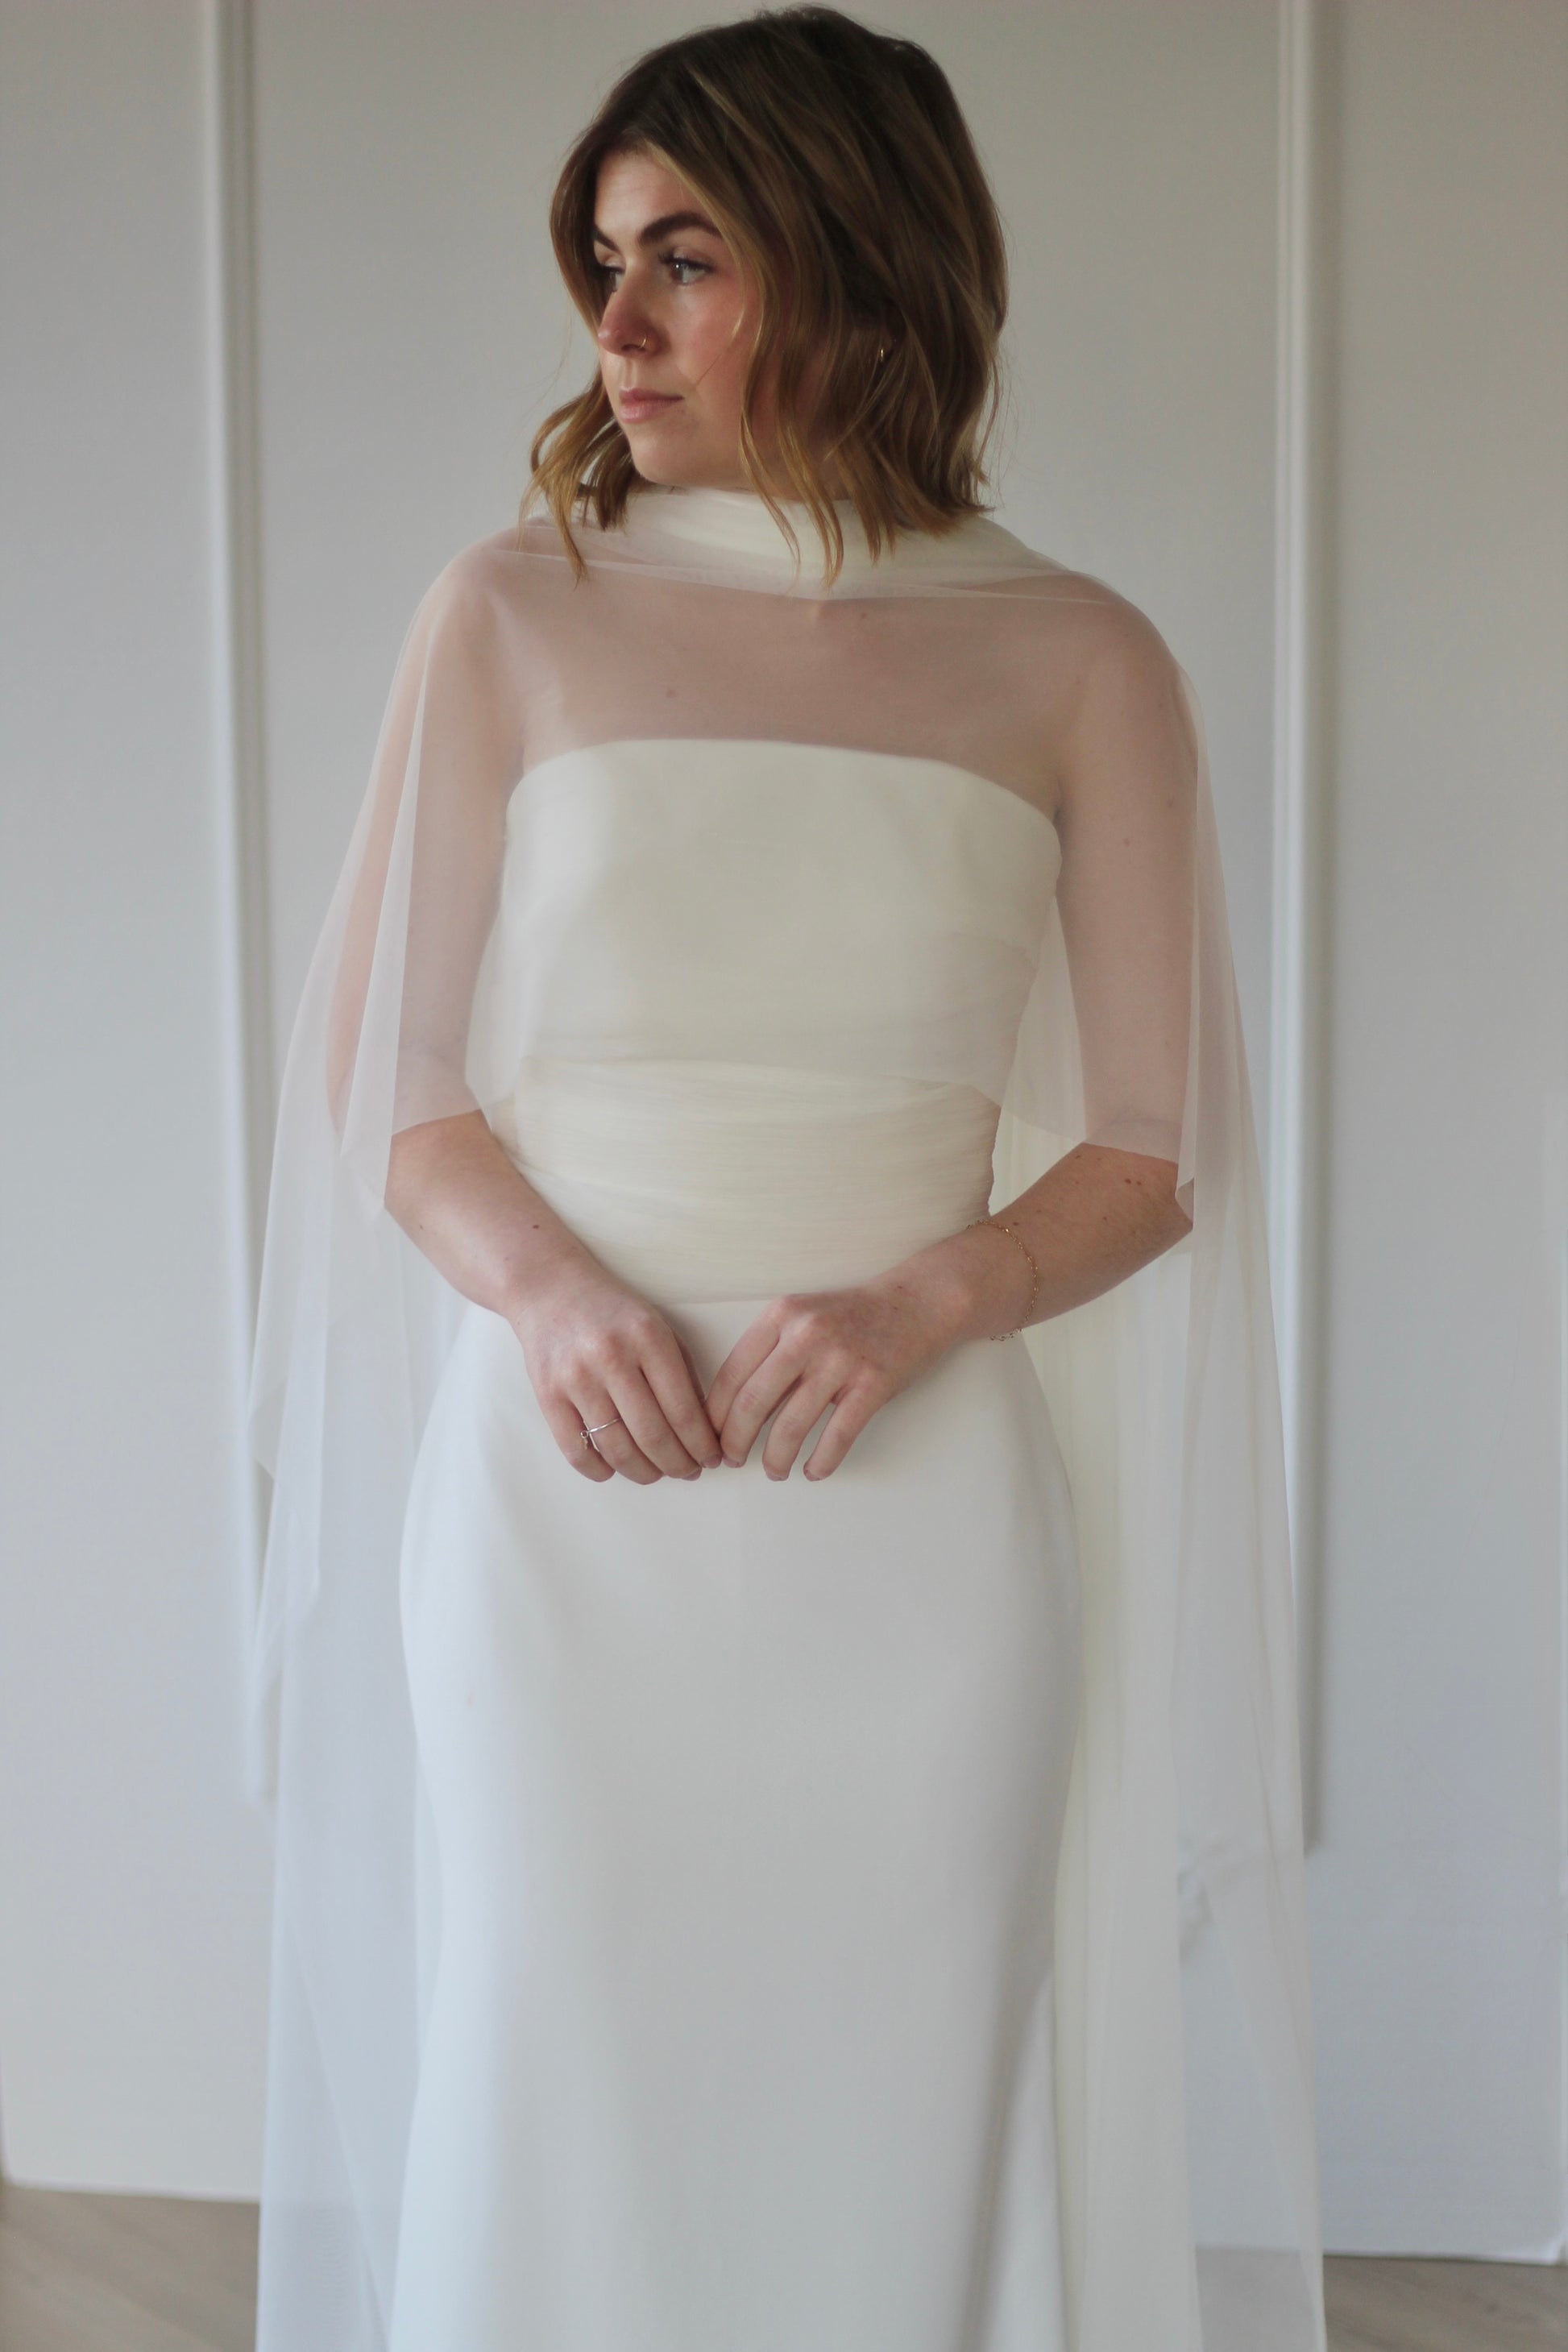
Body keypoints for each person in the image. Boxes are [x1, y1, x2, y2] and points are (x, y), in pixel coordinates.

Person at [246, 10, 1327, 2350]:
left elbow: (1153, 1149)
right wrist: (548, 1294)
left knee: (903, 2114)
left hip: (917, 1530)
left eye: (685, 258)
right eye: (603, 263)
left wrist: (927, 1301)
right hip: (564, 1518)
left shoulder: (1081, 658)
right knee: (556, 2080)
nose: (615, 328)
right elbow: (388, 1074)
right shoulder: (507, 611)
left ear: (854, 258)